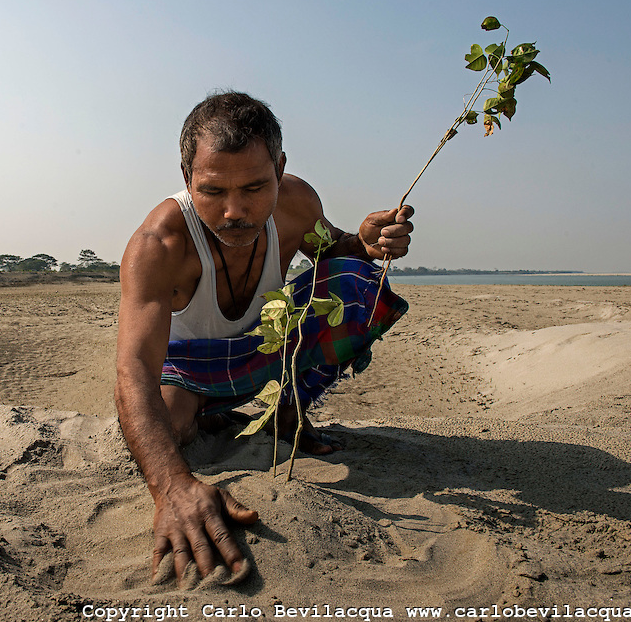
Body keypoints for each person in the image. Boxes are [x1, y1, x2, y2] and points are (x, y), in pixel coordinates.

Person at [114, 91, 414, 586]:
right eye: (212, 192)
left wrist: (363, 241)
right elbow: (134, 370)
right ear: (187, 175)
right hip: (187, 366)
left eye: (255, 187)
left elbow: (331, 248)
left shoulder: (297, 202)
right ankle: (213, 411)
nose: (235, 211)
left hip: (267, 346)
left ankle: (286, 410)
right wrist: (171, 487)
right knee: (170, 428)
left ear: (280, 167)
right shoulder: (158, 244)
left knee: (356, 280)